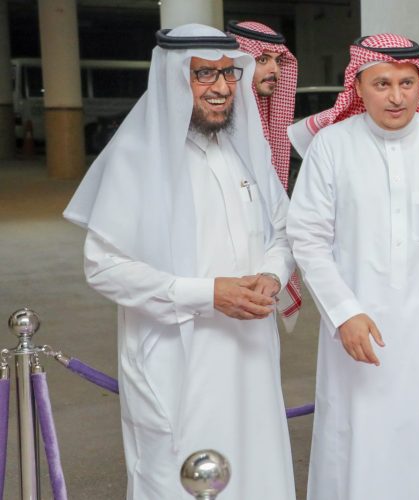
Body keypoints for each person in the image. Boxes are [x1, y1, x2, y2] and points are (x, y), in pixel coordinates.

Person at [63, 24, 295, 500]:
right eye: (204, 74)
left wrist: (273, 275)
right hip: (175, 359)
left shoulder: (246, 151)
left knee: (257, 470)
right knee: (176, 478)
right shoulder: (136, 158)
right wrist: (209, 294)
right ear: (173, 79)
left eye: (229, 74)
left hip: (251, 353)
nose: (221, 88)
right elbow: (103, 266)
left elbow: (284, 231)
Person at [286, 34, 419, 499]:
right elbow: (307, 237)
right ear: (358, 86)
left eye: (406, 83)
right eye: (382, 84)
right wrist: (344, 313)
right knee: (356, 450)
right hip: (358, 338)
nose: (396, 96)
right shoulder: (332, 146)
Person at [228, 19, 303, 331]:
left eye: (277, 61)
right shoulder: (218, 126)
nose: (274, 70)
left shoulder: (260, 127)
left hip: (262, 274)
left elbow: (281, 223)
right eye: (262, 60)